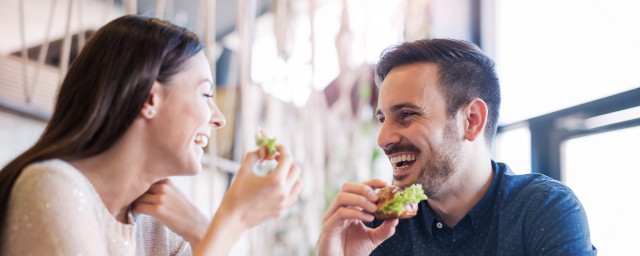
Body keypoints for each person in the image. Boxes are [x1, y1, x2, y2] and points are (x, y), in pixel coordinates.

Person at [0, 15, 303, 255]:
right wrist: (234, 219)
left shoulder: (153, 227)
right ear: (149, 99)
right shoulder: (49, 186)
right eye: (206, 94)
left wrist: (201, 232)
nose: (219, 119)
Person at [316, 38, 596, 255]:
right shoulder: (376, 230)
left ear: (471, 121)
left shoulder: (542, 211)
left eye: (407, 115)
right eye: (382, 119)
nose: (383, 138)